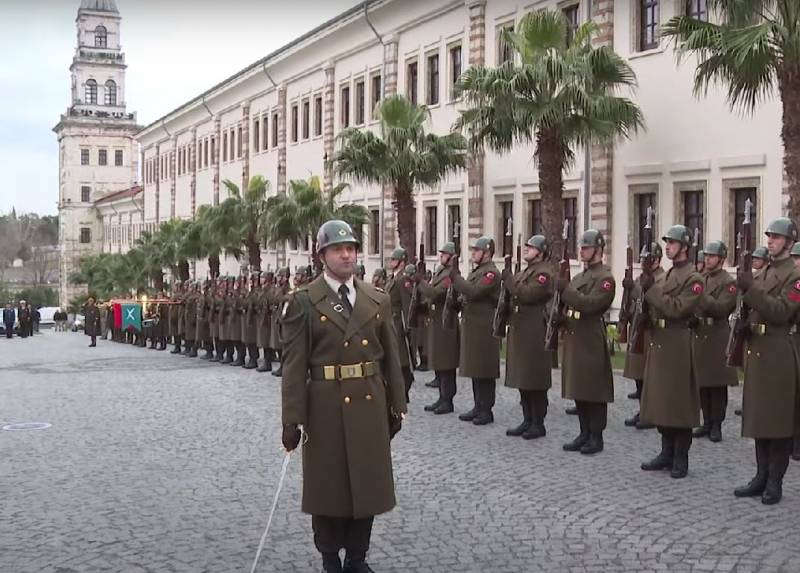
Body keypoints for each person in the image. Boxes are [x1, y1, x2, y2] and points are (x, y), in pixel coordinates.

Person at [281, 220, 406, 573]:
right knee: (328, 485)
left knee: (366, 483)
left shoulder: (375, 297)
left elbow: (391, 357)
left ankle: (357, 557)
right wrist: (292, 418)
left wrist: (398, 405)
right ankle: (329, 558)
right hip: (325, 405)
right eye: (338, 249)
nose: (347, 254)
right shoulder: (304, 301)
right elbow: (293, 366)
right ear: (323, 256)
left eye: (351, 248)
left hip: (368, 401)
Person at [734, 217, 800, 504]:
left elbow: (781, 312)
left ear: (789, 241)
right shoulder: (764, 273)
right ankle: (761, 475)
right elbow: (755, 307)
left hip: (779, 351)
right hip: (759, 349)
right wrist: (744, 322)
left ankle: (775, 481)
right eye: (769, 236)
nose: (770, 240)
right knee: (760, 418)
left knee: (778, 420)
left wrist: (752, 289)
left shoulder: (795, 277)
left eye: (776, 237)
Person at [639, 225, 704, 479]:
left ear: (685, 247)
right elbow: (655, 305)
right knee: (662, 401)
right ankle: (666, 451)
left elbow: (677, 309)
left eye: (673, 243)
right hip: (660, 340)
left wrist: (651, 291)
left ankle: (681, 456)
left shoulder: (693, 278)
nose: (668, 246)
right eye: (667, 242)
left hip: (677, 342)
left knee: (679, 402)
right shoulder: (664, 276)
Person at [558, 229, 615, 455]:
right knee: (579, 387)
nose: (581, 251)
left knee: (594, 389)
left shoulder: (605, 278)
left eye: (586, 247)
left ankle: (596, 435)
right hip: (575, 334)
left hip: (590, 336)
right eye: (581, 247)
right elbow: (570, 304)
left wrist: (566, 291)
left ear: (598, 250)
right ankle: (583, 432)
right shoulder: (580, 277)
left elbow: (591, 305)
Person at [503, 235, 554, 439]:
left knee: (535, 377)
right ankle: (527, 419)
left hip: (534, 329)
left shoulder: (544, 274)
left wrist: (508, 279)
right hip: (521, 327)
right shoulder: (527, 271)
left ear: (540, 252)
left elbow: (526, 294)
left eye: (531, 248)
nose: (526, 250)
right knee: (523, 376)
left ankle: (538, 423)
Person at [451, 236, 502, 426]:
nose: (473, 253)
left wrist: (456, 279)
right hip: (473, 324)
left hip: (484, 325)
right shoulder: (478, 271)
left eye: (476, 250)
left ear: (487, 252)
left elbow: (474, 292)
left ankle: (486, 409)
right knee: (475, 368)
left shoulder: (491, 273)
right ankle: (478, 405)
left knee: (485, 369)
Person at [691, 241, 738, 442]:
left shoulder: (729, 282)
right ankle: (707, 421)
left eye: (711, 256)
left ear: (721, 258)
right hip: (700, 332)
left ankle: (717, 424)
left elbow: (721, 308)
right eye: (706, 255)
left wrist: (700, 295)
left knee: (717, 384)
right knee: (702, 382)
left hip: (718, 334)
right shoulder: (701, 278)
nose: (707, 259)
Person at [621, 243, 664, 430]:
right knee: (639, 376)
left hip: (651, 331)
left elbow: (651, 298)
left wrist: (635, 288)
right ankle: (643, 410)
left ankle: (652, 412)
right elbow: (636, 302)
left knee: (650, 376)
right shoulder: (641, 278)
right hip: (638, 328)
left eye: (646, 259)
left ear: (656, 260)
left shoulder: (661, 278)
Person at [416, 243, 460, 414]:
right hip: (436, 321)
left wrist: (421, 282)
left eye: (444, 254)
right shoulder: (442, 272)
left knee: (446, 362)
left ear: (451, 257)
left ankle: (448, 400)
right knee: (440, 361)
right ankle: (442, 397)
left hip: (446, 322)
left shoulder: (452, 274)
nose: (440, 256)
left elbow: (435, 293)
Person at [384, 249, 415, 402]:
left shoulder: (403, 280)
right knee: (395, 358)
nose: (391, 262)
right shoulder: (393, 278)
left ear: (401, 262)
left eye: (394, 260)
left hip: (398, 322)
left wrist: (408, 327)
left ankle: (405, 389)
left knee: (403, 359)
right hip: (391, 321)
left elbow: (407, 304)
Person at [242, 273, 260, 369]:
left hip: (254, 318)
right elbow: (245, 304)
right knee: (249, 340)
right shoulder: (250, 292)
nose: (252, 282)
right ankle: (251, 359)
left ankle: (254, 359)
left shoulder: (257, 292)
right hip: (248, 317)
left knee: (252, 340)